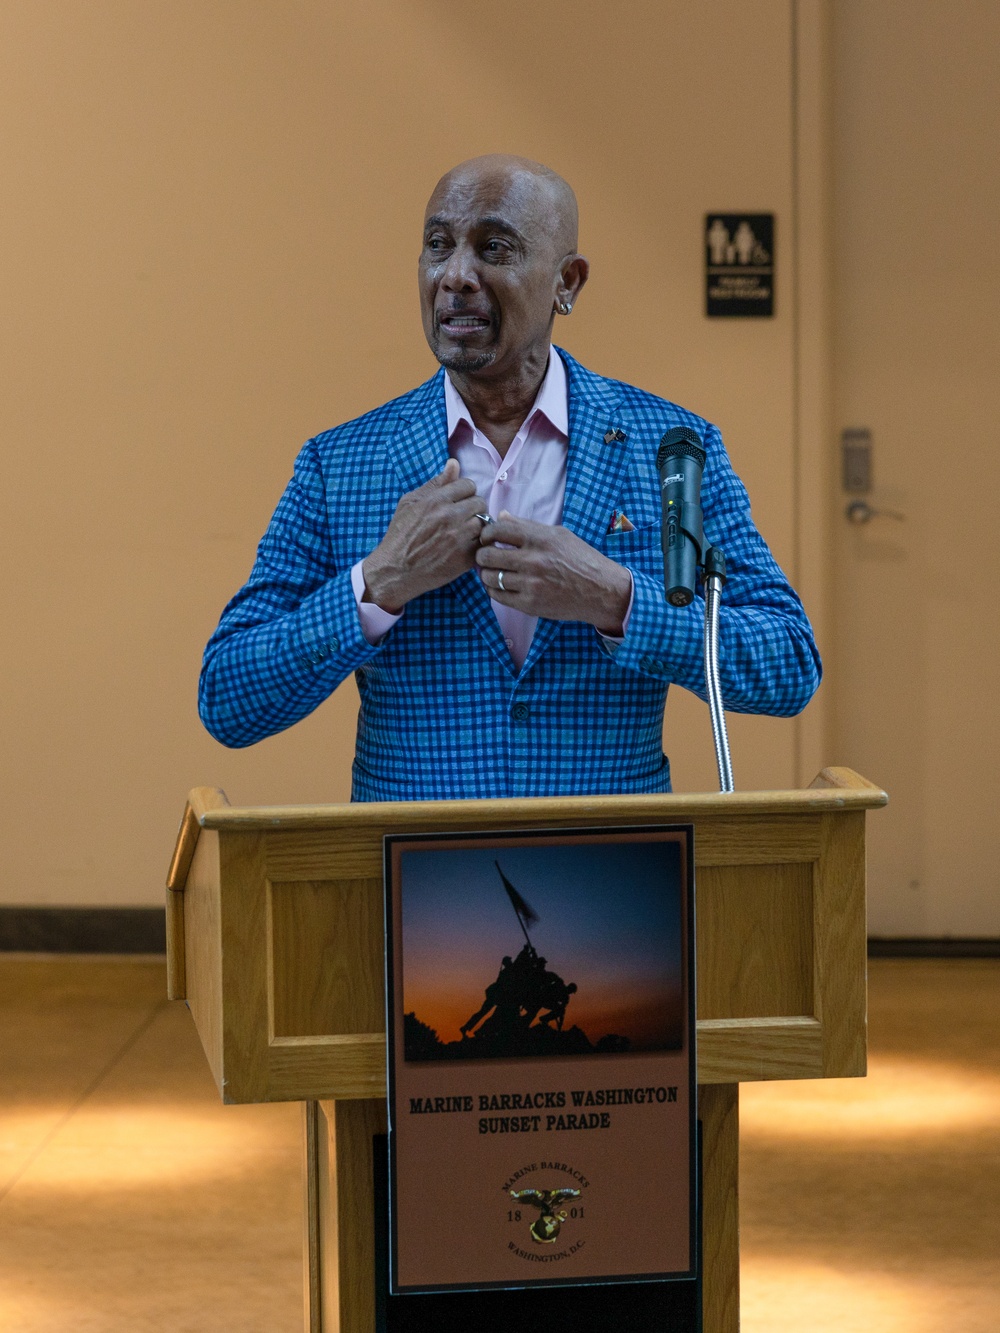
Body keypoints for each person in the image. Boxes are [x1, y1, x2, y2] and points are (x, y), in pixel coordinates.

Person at [199, 154, 820, 799]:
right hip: (417, 878)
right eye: (438, 247)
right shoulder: (341, 465)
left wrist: (615, 599)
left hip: (612, 872)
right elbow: (228, 699)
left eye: (494, 248)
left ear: (567, 283)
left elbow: (788, 663)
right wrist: (377, 582)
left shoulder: (668, 450)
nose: (456, 276)